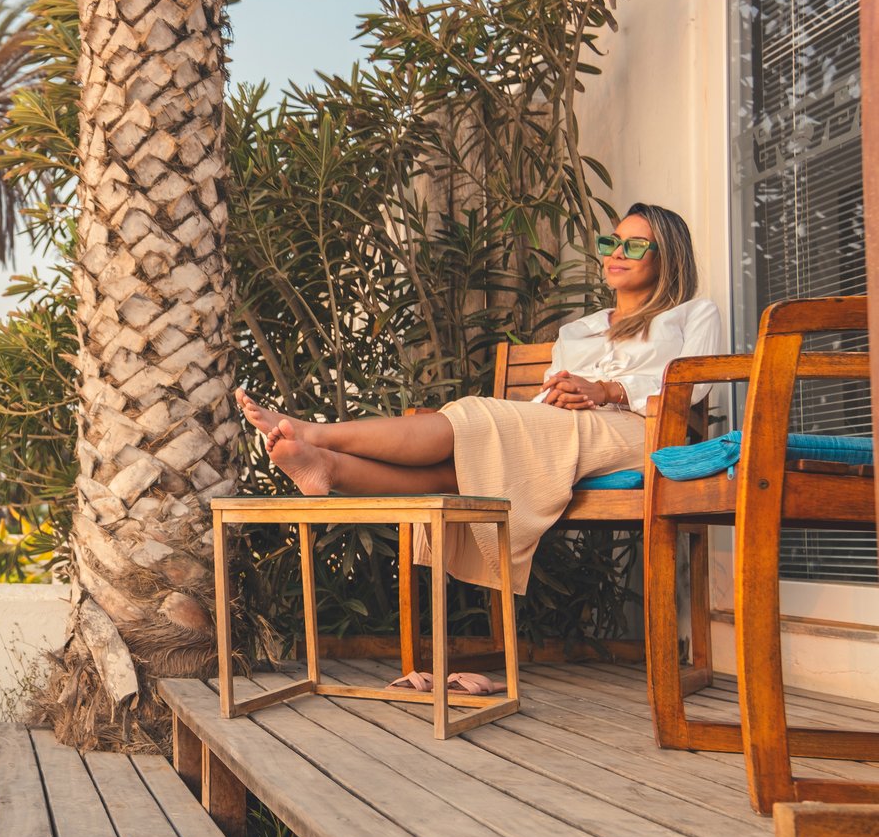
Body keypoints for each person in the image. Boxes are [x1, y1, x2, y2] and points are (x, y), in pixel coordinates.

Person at [234, 202, 722, 595]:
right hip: (562, 427)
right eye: (611, 241)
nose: (616, 252)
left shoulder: (691, 314)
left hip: (636, 431)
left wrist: (608, 390)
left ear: (667, 256)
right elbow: (552, 390)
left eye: (634, 244)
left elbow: (696, 383)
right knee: (463, 470)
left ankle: (317, 432)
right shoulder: (580, 328)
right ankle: (327, 466)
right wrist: (558, 398)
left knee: (473, 418)